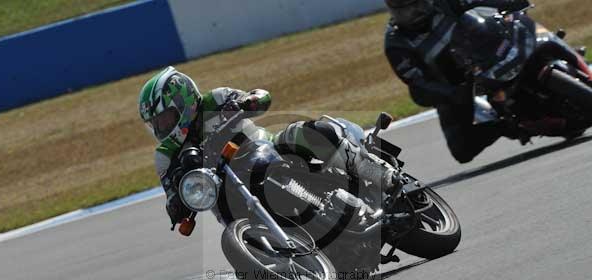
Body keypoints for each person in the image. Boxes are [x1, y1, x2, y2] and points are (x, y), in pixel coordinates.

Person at [138, 67, 399, 228]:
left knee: (306, 132)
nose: (161, 127)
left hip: (266, 151)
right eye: (155, 123)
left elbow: (261, 97)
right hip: (227, 191)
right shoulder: (165, 155)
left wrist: (248, 101)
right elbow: (173, 194)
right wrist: (176, 208)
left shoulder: (215, 99)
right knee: (228, 219)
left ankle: (376, 172)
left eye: (165, 118)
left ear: (183, 102)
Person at [384, 0, 529, 163]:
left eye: (418, 5)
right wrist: (450, 93)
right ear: (393, 11)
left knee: (521, 28)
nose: (415, 13)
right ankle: (505, 125)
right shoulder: (396, 42)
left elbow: (483, 1)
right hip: (457, 84)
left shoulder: (447, 3)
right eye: (406, 10)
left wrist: (511, 3)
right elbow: (416, 82)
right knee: (462, 150)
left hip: (490, 52)